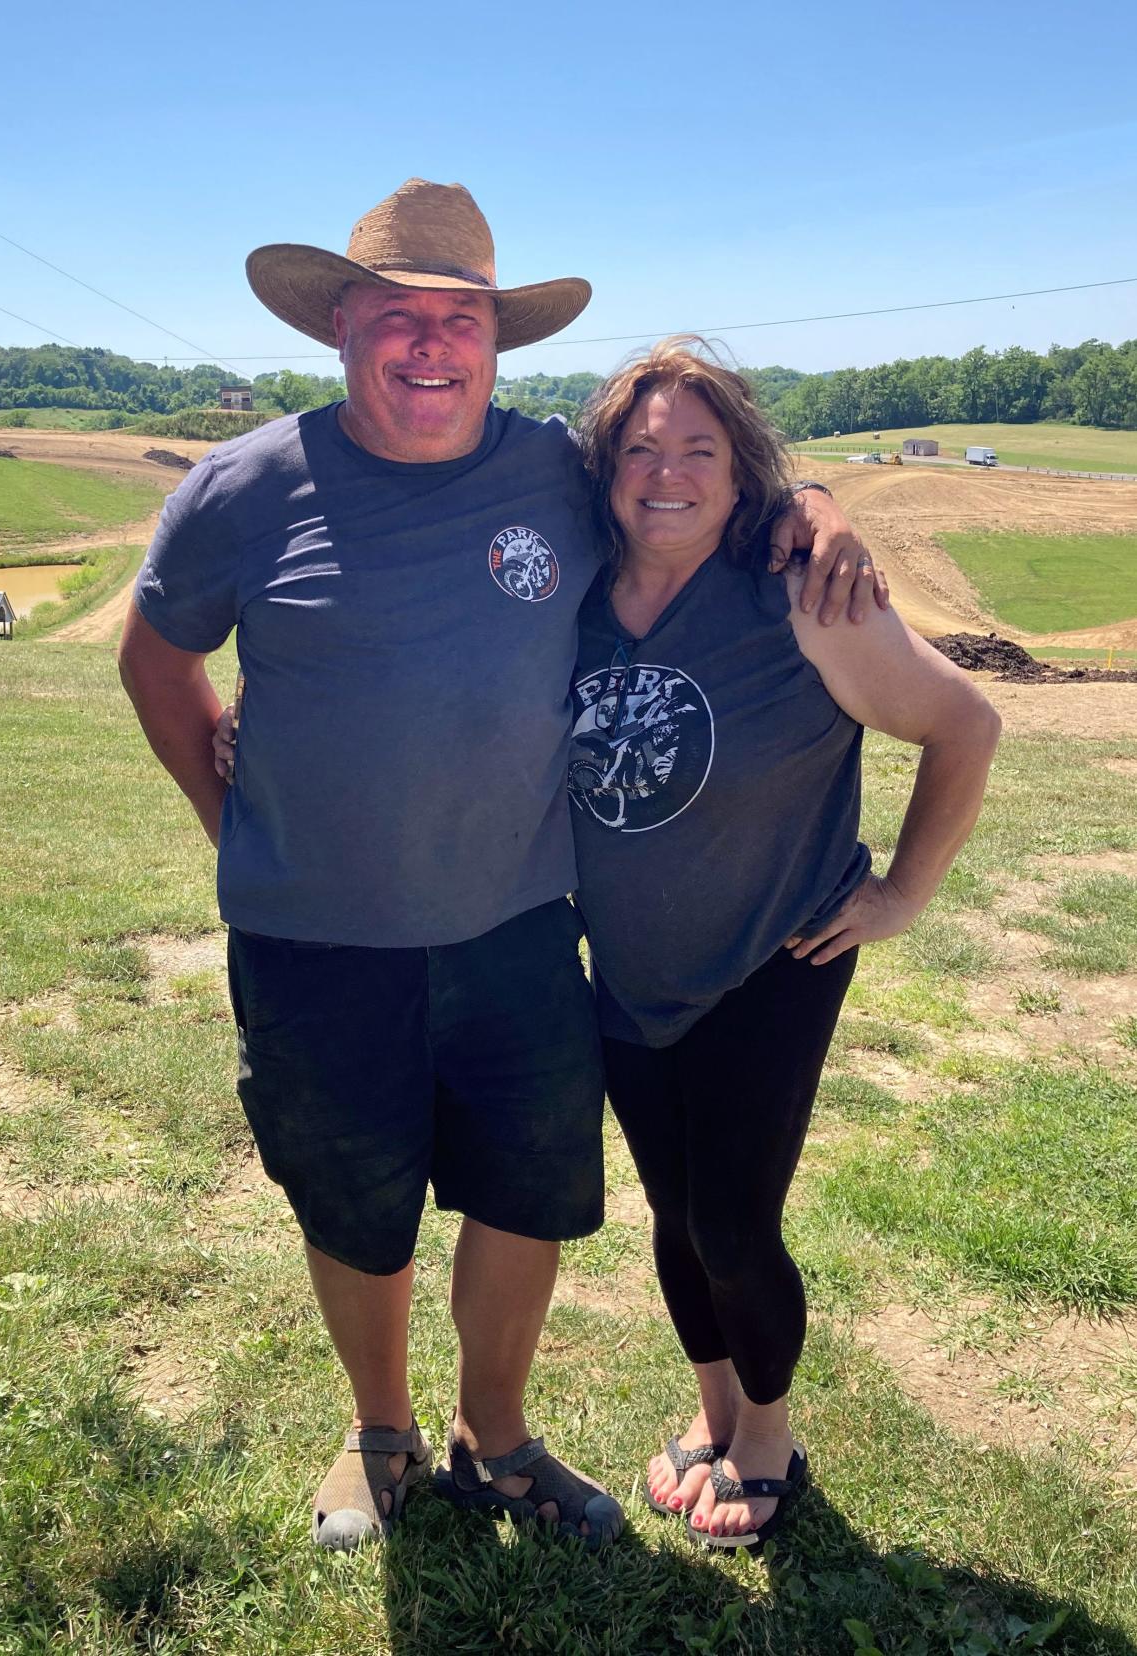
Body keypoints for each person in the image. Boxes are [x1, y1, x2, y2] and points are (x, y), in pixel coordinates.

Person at [119, 179, 880, 1555]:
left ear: (493, 340)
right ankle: (378, 1435)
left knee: (521, 1193)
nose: (426, 346)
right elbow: (155, 658)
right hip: (313, 945)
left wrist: (813, 502)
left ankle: (500, 1436)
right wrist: (230, 812)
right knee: (355, 1203)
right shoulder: (243, 488)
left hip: (522, 933)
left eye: (454, 319)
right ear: (339, 329)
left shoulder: (555, 474)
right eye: (393, 317)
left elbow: (696, 476)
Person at [565, 337, 1001, 1551]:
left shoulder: (800, 597)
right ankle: (711, 1415)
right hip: (627, 972)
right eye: (641, 449)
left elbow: (965, 725)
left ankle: (767, 1440)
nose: (667, 473)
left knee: (733, 1226)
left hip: (775, 957)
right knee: (669, 1213)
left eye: (699, 450)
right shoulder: (578, 596)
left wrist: (905, 891)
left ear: (741, 470)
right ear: (603, 469)